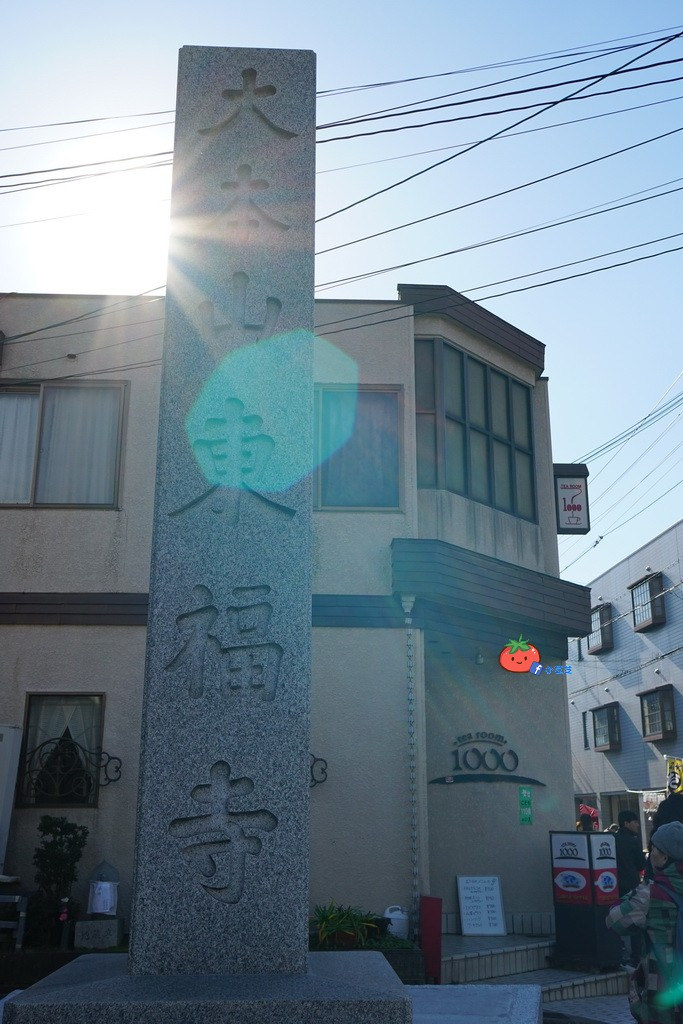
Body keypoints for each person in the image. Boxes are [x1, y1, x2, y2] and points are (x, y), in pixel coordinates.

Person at [607, 821, 683, 1024]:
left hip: (662, 992)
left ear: (665, 857)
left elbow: (614, 921)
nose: (650, 855)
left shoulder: (651, 893)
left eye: (654, 849)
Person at [615, 810, 647, 967]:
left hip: (613, 886)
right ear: (626, 823)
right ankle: (636, 956)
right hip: (631, 884)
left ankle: (617, 950)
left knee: (615, 917)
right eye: (634, 821)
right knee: (634, 920)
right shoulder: (633, 841)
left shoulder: (611, 839)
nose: (637, 824)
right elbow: (642, 864)